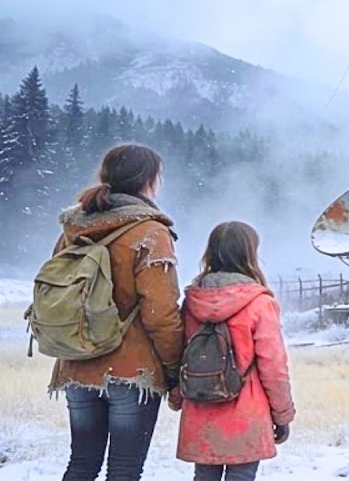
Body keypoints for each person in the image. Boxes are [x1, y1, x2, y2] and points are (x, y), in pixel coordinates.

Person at [49, 143, 186, 481]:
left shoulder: (73, 227)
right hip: (132, 369)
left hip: (76, 363)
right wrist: (174, 370)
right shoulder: (151, 233)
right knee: (124, 470)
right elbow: (161, 314)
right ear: (149, 181)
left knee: (81, 464)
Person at [171, 221, 296, 481]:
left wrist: (176, 396)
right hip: (245, 410)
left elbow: (179, 353)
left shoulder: (193, 301)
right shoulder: (260, 303)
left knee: (204, 476)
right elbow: (273, 366)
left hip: (200, 405)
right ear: (250, 254)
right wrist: (282, 415)